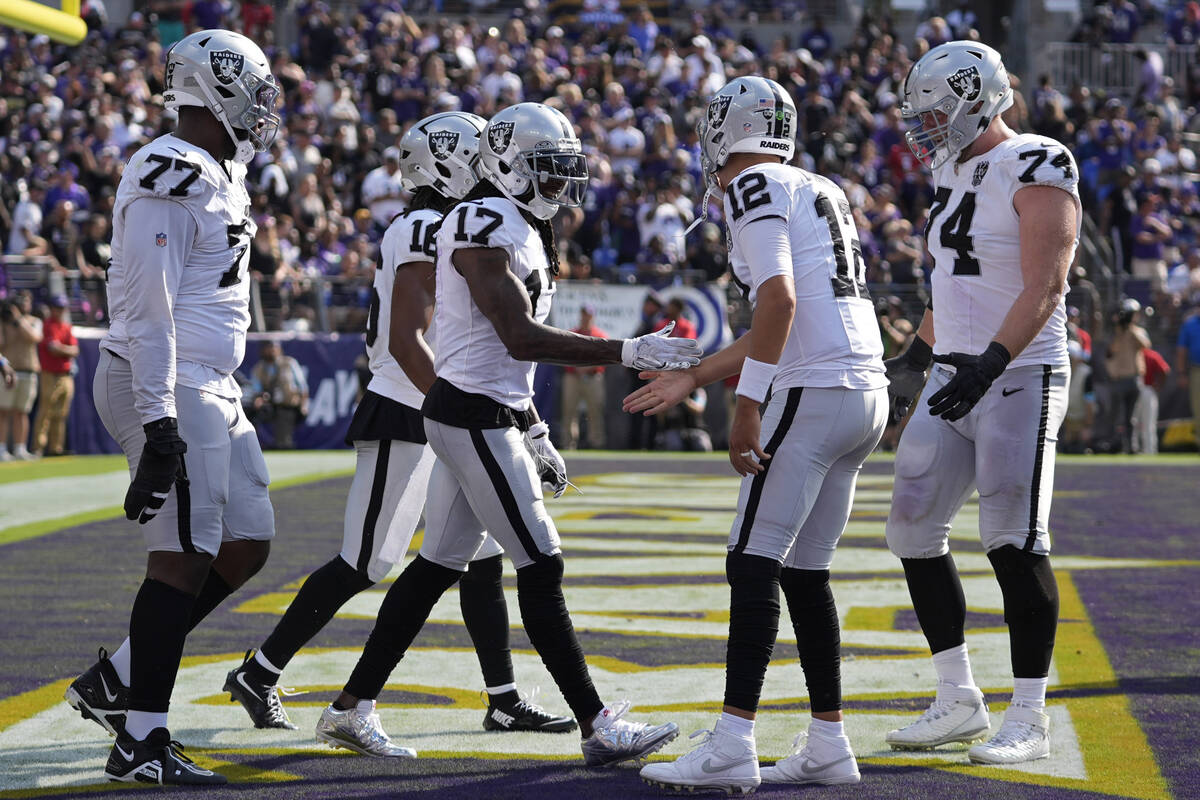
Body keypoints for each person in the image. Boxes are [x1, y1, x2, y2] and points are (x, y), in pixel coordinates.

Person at [324, 102, 698, 767]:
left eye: (564, 172)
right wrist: (626, 351)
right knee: (542, 561)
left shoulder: (515, 222)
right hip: (471, 415)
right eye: (548, 171)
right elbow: (516, 334)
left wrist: (534, 424)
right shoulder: (482, 218)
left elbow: (500, 357)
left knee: (437, 566)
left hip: (484, 409)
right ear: (505, 165)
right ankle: (597, 724)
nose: (560, 186)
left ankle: (351, 707)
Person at [228, 112, 574, 749]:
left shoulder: (466, 224)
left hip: (446, 407)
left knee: (482, 557)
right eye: (475, 155)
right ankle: (262, 669)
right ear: (447, 162)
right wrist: (453, 403)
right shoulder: (423, 225)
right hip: (411, 405)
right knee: (371, 559)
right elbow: (405, 337)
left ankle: (501, 698)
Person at [628, 77, 887, 794]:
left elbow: (778, 300)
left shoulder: (752, 185)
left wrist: (744, 406)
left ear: (723, 131)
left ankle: (733, 743)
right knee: (805, 572)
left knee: (752, 561)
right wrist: (698, 376)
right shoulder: (816, 183)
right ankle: (830, 743)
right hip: (862, 391)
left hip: (816, 388)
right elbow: (779, 316)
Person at [61, 29, 282, 786]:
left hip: (211, 381)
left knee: (248, 540)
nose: (263, 107)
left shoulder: (221, 166)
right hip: (169, 378)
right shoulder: (169, 170)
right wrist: (158, 424)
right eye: (254, 89)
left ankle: (116, 680)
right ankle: (140, 742)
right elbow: (147, 311)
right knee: (182, 557)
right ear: (218, 88)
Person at [881, 41, 1079, 765]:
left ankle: (1030, 714)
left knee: (1013, 540)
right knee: (910, 526)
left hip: (1019, 372)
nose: (928, 124)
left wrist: (993, 359)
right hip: (953, 374)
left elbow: (1047, 283)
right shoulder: (948, 166)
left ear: (978, 98)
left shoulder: (1038, 159)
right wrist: (917, 356)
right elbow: (955, 281)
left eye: (939, 109)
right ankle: (958, 695)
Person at [33, 295, 78, 457]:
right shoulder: (47, 325)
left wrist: (62, 349)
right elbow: (53, 348)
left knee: (61, 413)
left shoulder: (66, 327)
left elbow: (75, 350)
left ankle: (55, 448)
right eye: (58, 308)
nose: (60, 311)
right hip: (49, 374)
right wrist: (66, 350)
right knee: (46, 411)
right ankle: (38, 448)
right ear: (51, 309)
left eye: (62, 308)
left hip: (65, 374)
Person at [0, 291, 42, 461]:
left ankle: (20, 448)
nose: (24, 304)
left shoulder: (34, 321)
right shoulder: (4, 322)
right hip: (7, 372)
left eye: (26, 301)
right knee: (3, 410)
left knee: (21, 412)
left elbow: (34, 337)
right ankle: (2, 448)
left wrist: (18, 320)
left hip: (28, 371)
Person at [1106, 298, 1151, 453]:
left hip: (1134, 378)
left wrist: (1130, 328)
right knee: (1117, 415)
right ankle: (1115, 445)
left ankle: (1132, 447)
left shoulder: (1138, 331)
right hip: (1119, 378)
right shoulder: (1115, 332)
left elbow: (1146, 345)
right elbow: (1112, 351)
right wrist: (1121, 330)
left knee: (1132, 417)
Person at [560, 304, 608, 449]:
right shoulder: (573, 334)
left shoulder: (600, 335)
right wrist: (577, 367)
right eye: (583, 314)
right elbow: (564, 355)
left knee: (595, 410)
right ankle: (568, 443)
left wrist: (587, 368)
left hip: (593, 377)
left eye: (588, 314)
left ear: (592, 316)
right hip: (573, 377)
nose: (585, 317)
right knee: (569, 410)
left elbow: (605, 359)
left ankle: (597, 442)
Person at [249, 340, 308, 449]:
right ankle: (253, 445)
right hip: (269, 405)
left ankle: (284, 444)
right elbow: (256, 390)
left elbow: (302, 387)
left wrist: (304, 405)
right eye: (268, 348)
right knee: (251, 413)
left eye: (274, 348)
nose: (272, 351)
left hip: (288, 404)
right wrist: (259, 399)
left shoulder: (289, 363)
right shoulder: (258, 369)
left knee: (284, 416)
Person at [1132, 345, 1169, 454]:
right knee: (1140, 423)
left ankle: (1139, 449)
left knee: (1138, 422)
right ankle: (1146, 450)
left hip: (1144, 389)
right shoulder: (1148, 354)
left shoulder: (1148, 355)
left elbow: (1164, 371)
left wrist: (1157, 386)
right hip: (1143, 390)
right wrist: (1158, 386)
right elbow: (1165, 371)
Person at [1177, 306, 1200, 448]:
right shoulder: (1189, 324)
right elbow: (1181, 350)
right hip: (1196, 370)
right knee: (1198, 408)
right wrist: (1182, 373)